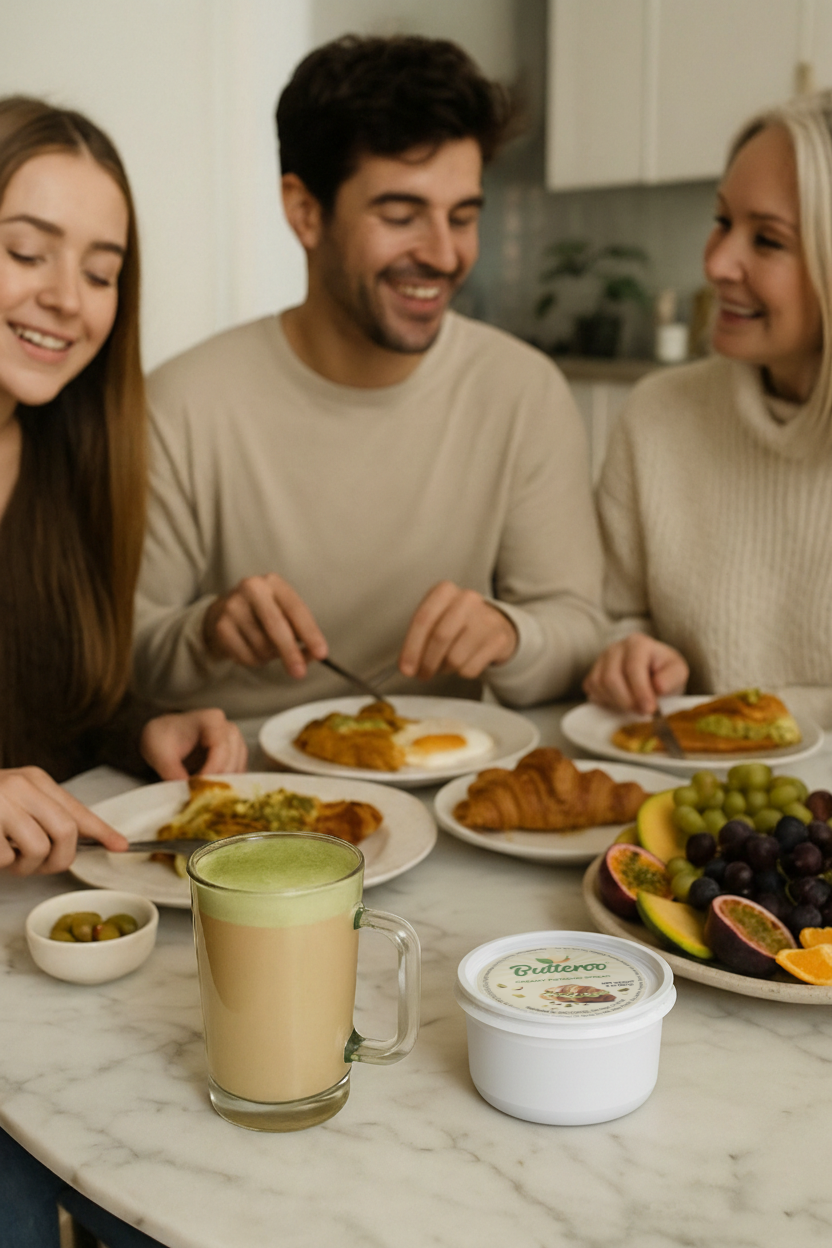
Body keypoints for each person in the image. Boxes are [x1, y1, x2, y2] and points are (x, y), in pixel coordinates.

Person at [133, 35, 605, 718]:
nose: (444, 254)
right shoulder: (179, 405)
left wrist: (511, 634)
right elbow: (125, 660)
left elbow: (578, 631)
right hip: (238, 787)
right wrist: (205, 630)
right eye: (401, 215)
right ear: (305, 212)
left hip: (439, 779)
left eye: (463, 216)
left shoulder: (522, 392)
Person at [0, 96, 246, 879]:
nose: (69, 298)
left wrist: (141, 729)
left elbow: (53, 709)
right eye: (26, 252)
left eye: (101, 271)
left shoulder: (73, 460)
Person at [583, 90, 832, 728]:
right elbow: (613, 619)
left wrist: (756, 718)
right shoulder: (657, 416)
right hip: (684, 803)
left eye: (768, 241)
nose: (717, 263)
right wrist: (629, 656)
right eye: (722, 221)